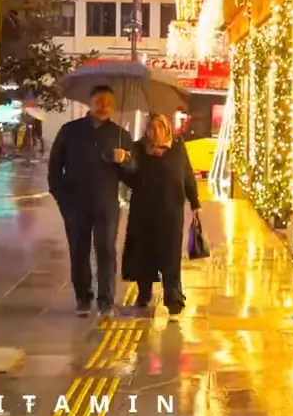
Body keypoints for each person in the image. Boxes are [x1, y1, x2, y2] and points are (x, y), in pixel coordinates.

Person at [47, 86, 132, 316]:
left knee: (106, 251)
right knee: (78, 250)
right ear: (91, 102)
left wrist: (124, 161)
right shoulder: (70, 131)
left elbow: (133, 175)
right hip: (75, 203)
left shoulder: (120, 135)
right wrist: (60, 197)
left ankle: (106, 300)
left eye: (108, 102)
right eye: (99, 101)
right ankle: (83, 298)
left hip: (106, 204)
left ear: (113, 106)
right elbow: (55, 165)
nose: (104, 106)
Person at [120, 114, 200, 317]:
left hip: (170, 211)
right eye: (151, 127)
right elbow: (131, 180)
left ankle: (173, 297)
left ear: (167, 129)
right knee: (143, 251)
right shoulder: (138, 149)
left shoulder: (178, 148)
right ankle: (144, 292)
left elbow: (187, 175)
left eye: (159, 127)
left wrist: (195, 202)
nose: (154, 131)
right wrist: (124, 164)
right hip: (143, 210)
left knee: (170, 254)